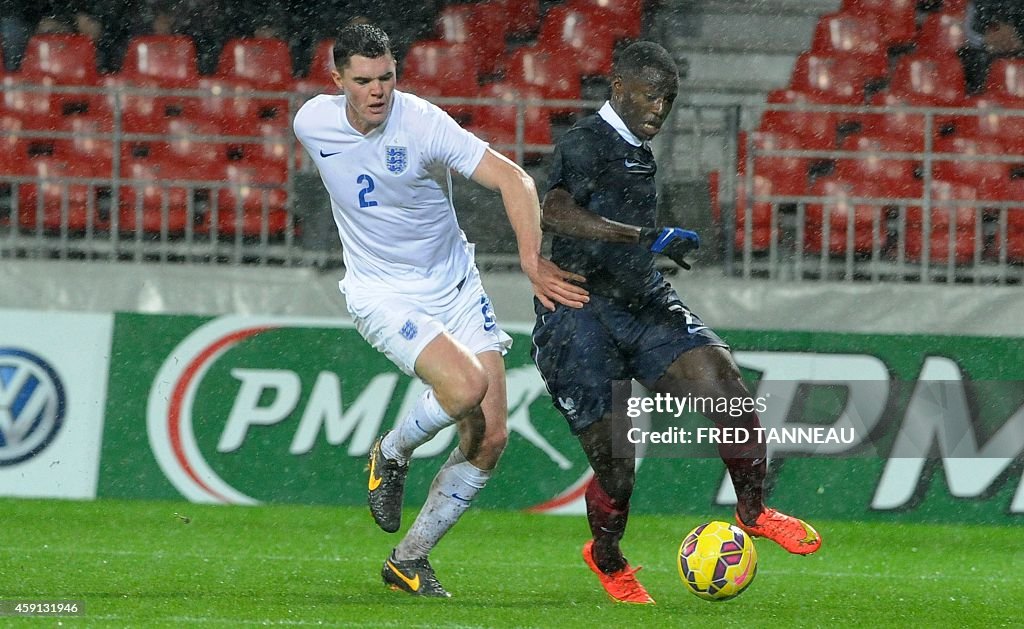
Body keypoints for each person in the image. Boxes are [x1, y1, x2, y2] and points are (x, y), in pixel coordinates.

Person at [292, 23, 588, 598]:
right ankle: (393, 450)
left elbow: (513, 178)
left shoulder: (422, 123)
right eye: (363, 81)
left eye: (387, 77)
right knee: (465, 389)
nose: (378, 91)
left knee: (491, 438)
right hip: (382, 292)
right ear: (337, 82)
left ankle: (408, 560)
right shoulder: (312, 121)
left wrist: (530, 258)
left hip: (454, 286)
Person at [531, 41, 822, 605]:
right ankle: (608, 557)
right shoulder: (587, 141)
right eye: (649, 95)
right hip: (578, 311)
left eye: (668, 99)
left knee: (728, 390)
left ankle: (753, 510)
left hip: (640, 299)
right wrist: (644, 236)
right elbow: (555, 210)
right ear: (618, 88)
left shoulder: (638, 146)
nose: (659, 108)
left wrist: (646, 249)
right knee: (617, 466)